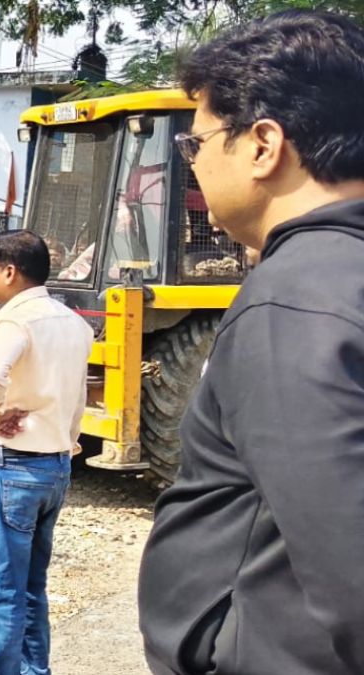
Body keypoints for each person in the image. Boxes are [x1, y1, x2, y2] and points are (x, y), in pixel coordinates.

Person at [139, 11, 364, 675]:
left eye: (198, 143)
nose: (196, 162)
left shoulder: (290, 301)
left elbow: (349, 565)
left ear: (263, 145)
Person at [0, 230, 93, 675]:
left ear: (10, 271)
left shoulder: (15, 321)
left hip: (11, 467)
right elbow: (78, 400)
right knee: (32, 589)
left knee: (2, 590)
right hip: (55, 468)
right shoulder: (75, 323)